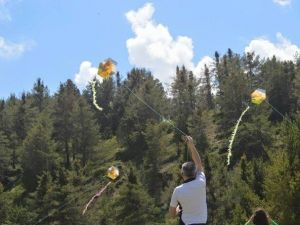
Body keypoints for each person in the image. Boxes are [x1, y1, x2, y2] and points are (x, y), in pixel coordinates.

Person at [169, 136, 207, 225]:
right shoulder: (201, 181)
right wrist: (191, 145)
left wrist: (177, 210)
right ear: (195, 172)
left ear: (182, 174)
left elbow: (172, 214)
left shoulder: (178, 190)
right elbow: (198, 163)